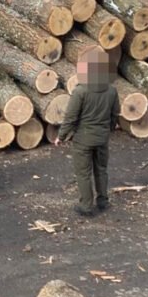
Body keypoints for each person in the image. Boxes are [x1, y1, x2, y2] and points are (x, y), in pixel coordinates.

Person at [54, 49, 120, 217]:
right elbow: (115, 115)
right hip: (102, 138)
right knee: (101, 169)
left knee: (83, 173)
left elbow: (71, 117)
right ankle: (103, 201)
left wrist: (61, 136)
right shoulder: (111, 90)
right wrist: (108, 130)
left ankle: (86, 205)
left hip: (83, 139)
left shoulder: (80, 91)